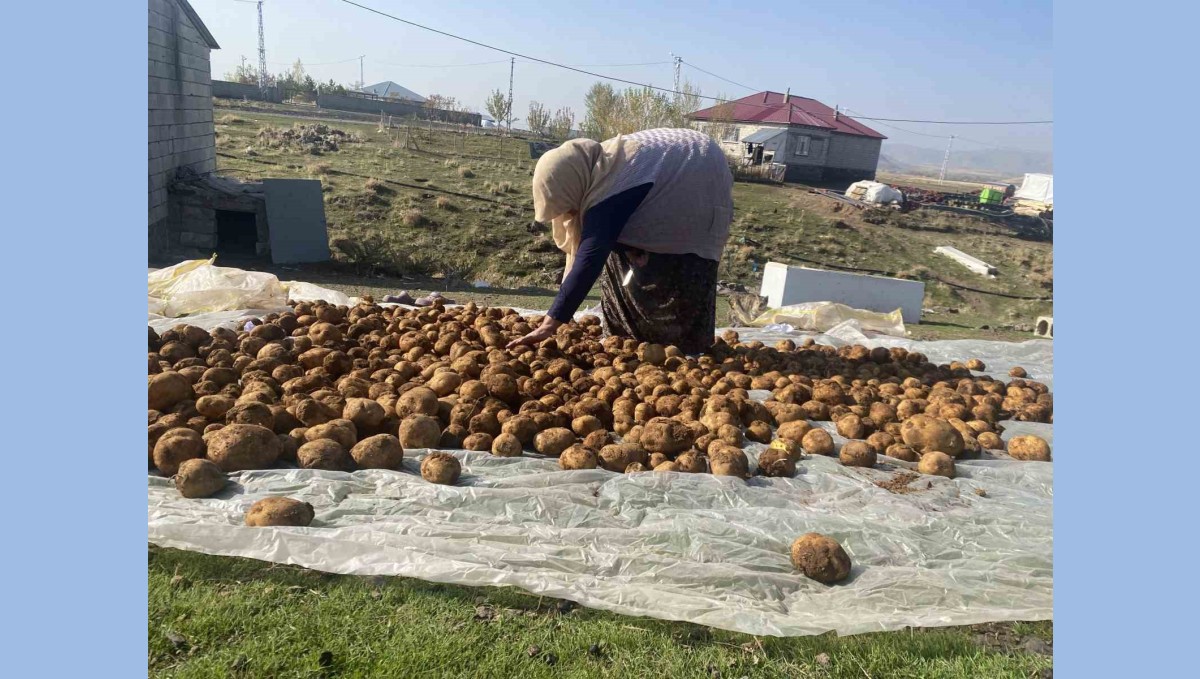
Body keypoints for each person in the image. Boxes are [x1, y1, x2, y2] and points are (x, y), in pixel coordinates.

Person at [506, 128, 734, 354]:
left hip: (698, 177)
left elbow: (589, 260)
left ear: (571, 183)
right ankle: (628, 342)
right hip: (679, 169)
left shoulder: (612, 184)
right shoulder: (597, 166)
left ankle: (678, 350)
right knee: (619, 257)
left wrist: (550, 324)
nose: (569, 213)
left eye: (567, 204)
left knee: (671, 285)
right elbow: (592, 241)